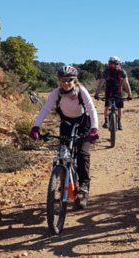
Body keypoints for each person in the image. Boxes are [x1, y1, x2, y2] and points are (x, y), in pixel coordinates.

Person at [29, 65, 99, 195]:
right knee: (63, 152)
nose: (66, 83)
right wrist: (36, 127)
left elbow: (91, 108)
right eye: (62, 80)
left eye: (69, 80)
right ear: (59, 81)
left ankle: (84, 182)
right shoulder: (56, 93)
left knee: (82, 152)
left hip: (83, 121)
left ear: (75, 80)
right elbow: (45, 109)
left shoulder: (80, 91)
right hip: (66, 122)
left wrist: (95, 128)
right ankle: (64, 181)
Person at [94, 56, 132, 130]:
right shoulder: (107, 71)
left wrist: (129, 94)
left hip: (118, 90)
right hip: (109, 90)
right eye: (110, 64)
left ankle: (119, 122)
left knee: (119, 107)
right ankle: (106, 121)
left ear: (117, 64)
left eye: (113, 64)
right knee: (107, 106)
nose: (111, 65)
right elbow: (101, 83)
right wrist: (96, 94)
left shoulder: (122, 72)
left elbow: (126, 83)